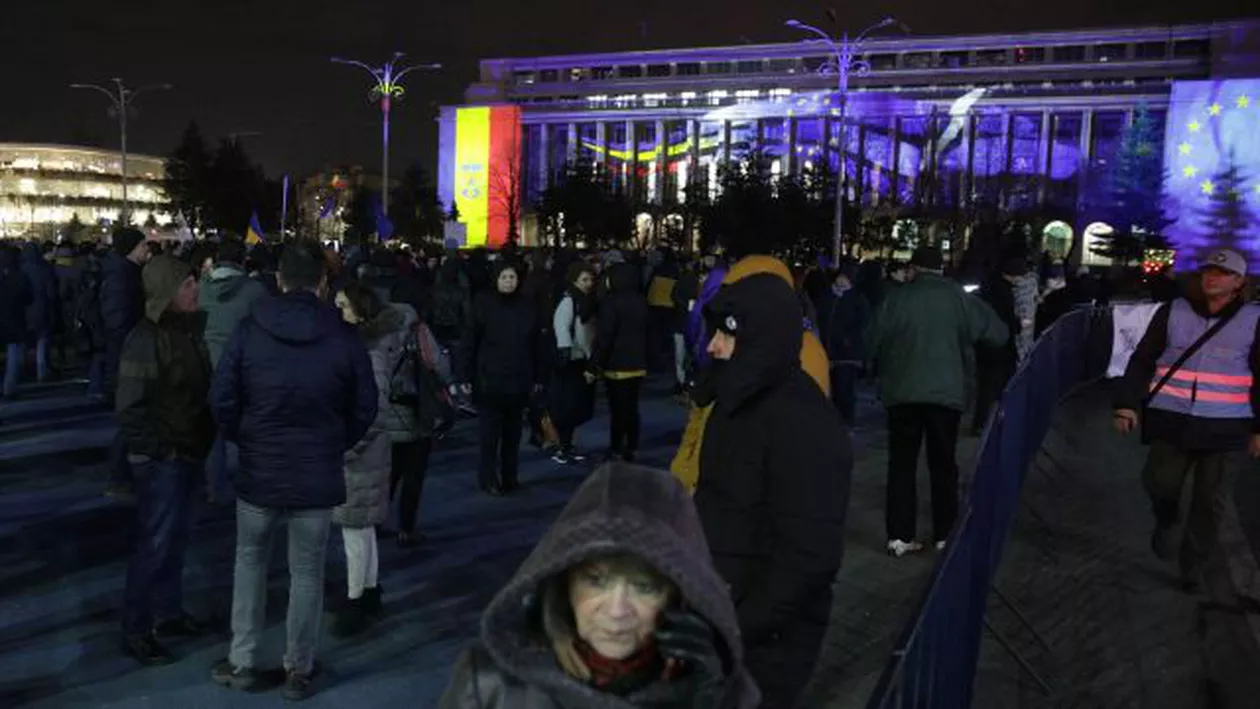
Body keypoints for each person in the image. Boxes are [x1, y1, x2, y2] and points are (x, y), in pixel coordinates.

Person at [438, 462, 761, 709]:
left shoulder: (710, 684)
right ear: (564, 582)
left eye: (645, 587)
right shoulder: (491, 682)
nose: (618, 610)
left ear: (676, 596)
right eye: (596, 581)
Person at [210, 241, 378, 701]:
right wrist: (333, 442)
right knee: (306, 571)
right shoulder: (342, 337)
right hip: (315, 471)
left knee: (250, 563)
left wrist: (245, 438)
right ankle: (297, 668)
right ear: (323, 283)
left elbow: (222, 396)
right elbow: (365, 405)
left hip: (259, 467)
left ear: (279, 279)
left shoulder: (250, 329)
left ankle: (243, 659)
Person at [692, 273, 851, 709]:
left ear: (760, 337)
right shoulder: (735, 402)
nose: (712, 347)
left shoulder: (802, 422)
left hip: (764, 641)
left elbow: (809, 556)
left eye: (726, 335)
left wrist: (741, 624)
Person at [1114, 248, 1260, 592]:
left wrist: (1258, 429)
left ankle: (1193, 566)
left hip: (1228, 427)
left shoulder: (1254, 320)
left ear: (1238, 283)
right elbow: (1143, 359)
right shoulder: (1174, 311)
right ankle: (1167, 518)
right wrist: (1126, 404)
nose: (1212, 277)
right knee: (1158, 481)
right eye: (1208, 271)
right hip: (1172, 419)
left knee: (1209, 504)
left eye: (1223, 273)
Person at [868, 246, 1008, 557]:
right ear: (941, 269)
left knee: (901, 465)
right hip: (946, 394)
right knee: (944, 464)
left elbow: (871, 340)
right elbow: (997, 333)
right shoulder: (958, 297)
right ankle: (945, 534)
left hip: (901, 393)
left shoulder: (896, 298)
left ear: (913, 269)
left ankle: (900, 537)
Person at [116, 255, 215, 664]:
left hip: (187, 452)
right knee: (155, 544)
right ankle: (136, 627)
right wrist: (160, 450)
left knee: (176, 540)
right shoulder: (145, 338)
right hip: (165, 459)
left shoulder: (187, 331)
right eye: (188, 283)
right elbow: (130, 408)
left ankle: (168, 612)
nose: (196, 289)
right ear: (167, 291)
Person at [455, 261, 541, 496]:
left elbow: (536, 343)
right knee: (490, 435)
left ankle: (510, 476)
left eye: (512, 277)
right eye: (504, 277)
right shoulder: (483, 303)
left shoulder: (527, 306)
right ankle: (488, 478)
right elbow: (469, 340)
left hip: (518, 378)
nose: (508, 281)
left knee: (513, 434)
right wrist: (464, 374)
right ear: (495, 279)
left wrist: (538, 375)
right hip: (489, 379)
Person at [199, 237, 269, 503]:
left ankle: (215, 488)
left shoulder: (201, 286)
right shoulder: (255, 291)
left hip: (206, 363)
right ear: (243, 260)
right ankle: (243, 488)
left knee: (213, 431)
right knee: (241, 431)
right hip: (240, 366)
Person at [102, 228, 151, 499]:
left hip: (129, 356)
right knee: (130, 418)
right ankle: (119, 477)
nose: (148, 250)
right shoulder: (122, 277)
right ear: (132, 247)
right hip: (127, 359)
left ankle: (125, 475)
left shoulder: (127, 274)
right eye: (144, 245)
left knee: (134, 417)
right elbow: (118, 321)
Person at [591, 262, 649, 463]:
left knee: (617, 409)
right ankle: (632, 446)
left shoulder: (611, 302)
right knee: (632, 407)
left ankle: (616, 446)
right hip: (638, 363)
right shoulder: (641, 301)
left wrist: (596, 362)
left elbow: (606, 336)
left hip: (617, 364)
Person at [814, 261, 871, 427]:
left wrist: (851, 340)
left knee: (844, 389)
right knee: (831, 389)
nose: (842, 280)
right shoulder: (827, 296)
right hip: (827, 349)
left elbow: (864, 324)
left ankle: (845, 420)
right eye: (841, 277)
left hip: (847, 353)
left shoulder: (857, 299)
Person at [551, 261, 597, 464]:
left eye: (590, 279)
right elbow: (561, 327)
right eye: (584, 280)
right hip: (571, 360)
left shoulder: (585, 300)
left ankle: (566, 445)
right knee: (567, 406)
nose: (588, 283)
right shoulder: (570, 301)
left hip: (581, 358)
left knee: (575, 405)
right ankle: (563, 446)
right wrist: (566, 353)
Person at [971, 256, 1023, 436]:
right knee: (1001, 384)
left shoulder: (988, 288)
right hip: (1000, 346)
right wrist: (1019, 324)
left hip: (985, 343)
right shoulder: (1004, 292)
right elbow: (1007, 317)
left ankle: (981, 421)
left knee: (986, 386)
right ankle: (997, 420)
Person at [19, 242, 59, 383]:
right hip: (41, 307)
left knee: (26, 341)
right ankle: (41, 371)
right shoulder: (45, 268)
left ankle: (24, 368)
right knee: (42, 340)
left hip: (24, 309)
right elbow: (51, 292)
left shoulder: (20, 268)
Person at [0, 247, 31, 398]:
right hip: (14, 319)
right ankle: (8, 387)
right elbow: (28, 298)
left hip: (6, 318)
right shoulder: (20, 277)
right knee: (14, 355)